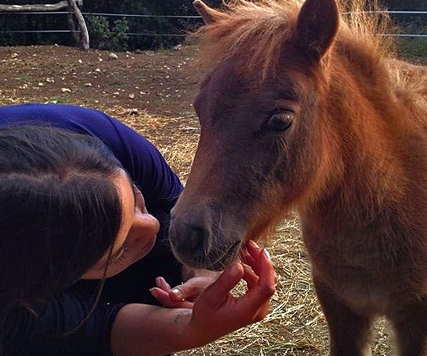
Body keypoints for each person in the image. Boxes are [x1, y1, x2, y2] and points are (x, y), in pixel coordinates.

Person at [0, 103, 275, 356]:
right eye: (119, 252)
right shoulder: (10, 304)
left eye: (137, 199)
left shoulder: (100, 136)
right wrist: (191, 330)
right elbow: (95, 330)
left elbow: (170, 204)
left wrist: (203, 273)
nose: (153, 225)